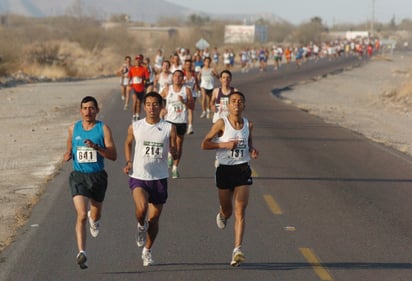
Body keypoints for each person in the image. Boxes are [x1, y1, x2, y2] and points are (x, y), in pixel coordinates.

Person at [201, 91, 259, 267]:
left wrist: (252, 150)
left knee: (240, 210)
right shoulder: (221, 123)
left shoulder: (248, 124)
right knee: (228, 211)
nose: (237, 104)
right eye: (233, 101)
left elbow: (248, 143)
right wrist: (223, 145)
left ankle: (237, 250)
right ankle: (222, 214)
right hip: (225, 170)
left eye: (240, 101)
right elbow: (204, 144)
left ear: (244, 105)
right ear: (228, 105)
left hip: (242, 169)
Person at [124, 92, 177, 266]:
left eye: (155, 104)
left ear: (161, 106)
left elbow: (174, 148)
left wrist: (174, 153)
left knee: (154, 220)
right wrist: (129, 161)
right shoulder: (136, 126)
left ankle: (147, 250)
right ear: (144, 106)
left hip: (159, 178)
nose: (152, 108)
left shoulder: (169, 127)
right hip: (139, 176)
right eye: (148, 104)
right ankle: (140, 226)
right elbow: (128, 142)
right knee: (141, 209)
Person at [63, 96, 117, 270]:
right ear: (80, 110)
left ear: (97, 110)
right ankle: (82, 253)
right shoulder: (74, 128)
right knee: (81, 215)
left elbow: (113, 155)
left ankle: (95, 220)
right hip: (78, 176)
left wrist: (97, 148)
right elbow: (70, 144)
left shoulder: (103, 129)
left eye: (92, 108)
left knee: (95, 213)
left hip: (98, 177)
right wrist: (68, 153)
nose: (88, 111)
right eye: (85, 108)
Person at [160, 69, 194, 178]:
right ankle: (170, 154)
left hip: (181, 121)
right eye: (175, 76)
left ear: (182, 78)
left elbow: (192, 106)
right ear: (172, 78)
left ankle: (175, 167)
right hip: (169, 121)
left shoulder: (187, 90)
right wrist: (162, 109)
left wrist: (184, 102)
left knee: (179, 145)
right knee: (170, 142)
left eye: (180, 76)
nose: (177, 78)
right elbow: (157, 99)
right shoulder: (167, 89)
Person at [128, 54, 150, 121]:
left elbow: (147, 78)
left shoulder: (144, 69)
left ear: (140, 61)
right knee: (135, 101)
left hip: (141, 88)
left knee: (139, 103)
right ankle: (134, 115)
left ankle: (137, 115)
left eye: (139, 59)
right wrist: (130, 84)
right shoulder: (132, 69)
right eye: (136, 59)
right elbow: (129, 78)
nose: (138, 61)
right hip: (134, 88)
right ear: (135, 61)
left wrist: (144, 81)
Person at [183, 58, 199, 135]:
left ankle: (190, 127)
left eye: (190, 65)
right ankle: (184, 124)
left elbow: (197, 83)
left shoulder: (194, 74)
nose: (188, 66)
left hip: (192, 95)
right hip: (184, 95)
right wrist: (183, 81)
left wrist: (198, 89)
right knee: (184, 110)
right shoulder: (182, 74)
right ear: (185, 65)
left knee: (190, 110)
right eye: (187, 64)